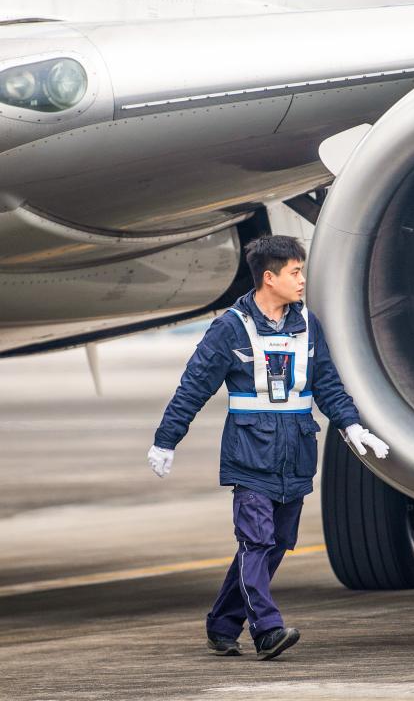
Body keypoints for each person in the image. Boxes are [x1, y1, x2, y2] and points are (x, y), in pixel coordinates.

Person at [146, 235, 389, 660]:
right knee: (255, 541)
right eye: (295, 272)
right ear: (269, 277)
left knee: (275, 544)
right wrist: (166, 439)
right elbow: (194, 386)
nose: (302, 281)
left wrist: (352, 426)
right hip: (250, 454)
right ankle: (267, 628)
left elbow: (326, 385)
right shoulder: (229, 329)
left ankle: (223, 624)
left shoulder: (309, 324)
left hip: (295, 454)